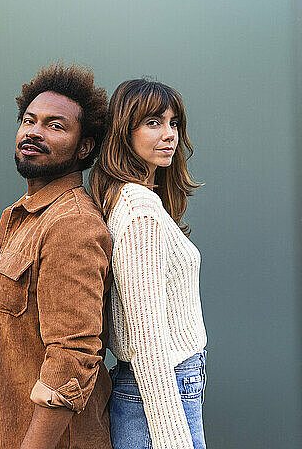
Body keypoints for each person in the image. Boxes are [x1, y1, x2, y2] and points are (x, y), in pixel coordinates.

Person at [0, 64, 113, 449]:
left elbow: (74, 355)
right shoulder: (22, 217)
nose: (34, 131)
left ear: (85, 148)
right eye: (29, 120)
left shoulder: (72, 225)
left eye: (55, 125)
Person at [90, 79, 208, 449]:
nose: (169, 134)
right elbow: (147, 341)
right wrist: (175, 440)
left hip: (155, 390)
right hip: (159, 389)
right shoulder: (140, 209)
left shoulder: (129, 200)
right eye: (153, 122)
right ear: (125, 133)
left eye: (174, 123)